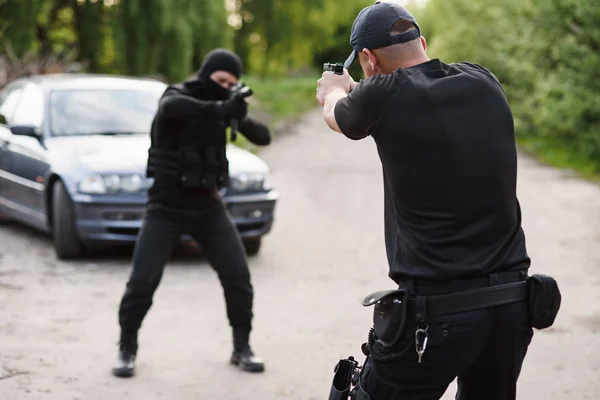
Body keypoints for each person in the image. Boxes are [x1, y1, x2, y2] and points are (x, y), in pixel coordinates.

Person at [317, 2, 534, 400]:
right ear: (423, 41)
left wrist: (334, 91)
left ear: (367, 59)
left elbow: (338, 116)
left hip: (437, 317)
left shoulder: (383, 93)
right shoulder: (484, 80)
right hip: (511, 305)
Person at [112, 48, 270, 378]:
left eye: (232, 83)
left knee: (238, 277)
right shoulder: (177, 96)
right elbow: (172, 107)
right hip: (165, 207)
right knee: (142, 281)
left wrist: (237, 113)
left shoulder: (225, 106)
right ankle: (127, 346)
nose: (226, 86)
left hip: (208, 206)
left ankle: (242, 346)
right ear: (204, 75)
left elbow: (263, 137)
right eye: (221, 80)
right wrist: (223, 107)